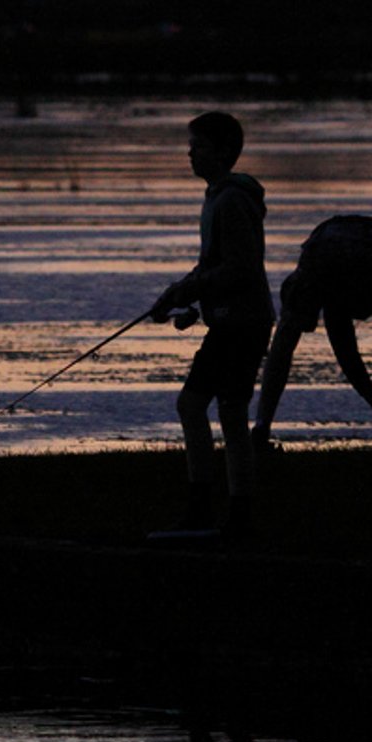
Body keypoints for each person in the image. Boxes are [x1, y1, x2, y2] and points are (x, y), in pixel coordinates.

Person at [149, 111, 274, 536]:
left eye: (198, 146)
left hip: (241, 323)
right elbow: (214, 265)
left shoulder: (232, 201)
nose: (190, 154)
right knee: (229, 412)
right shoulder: (219, 197)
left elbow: (239, 269)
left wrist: (187, 292)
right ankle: (235, 511)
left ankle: (210, 509)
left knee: (198, 406)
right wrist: (181, 293)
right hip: (234, 319)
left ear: (222, 152)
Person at [251, 214, 372, 447]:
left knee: (285, 337)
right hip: (342, 251)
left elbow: (349, 354)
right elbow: (349, 355)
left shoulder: (355, 284)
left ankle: (261, 428)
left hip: (328, 249)